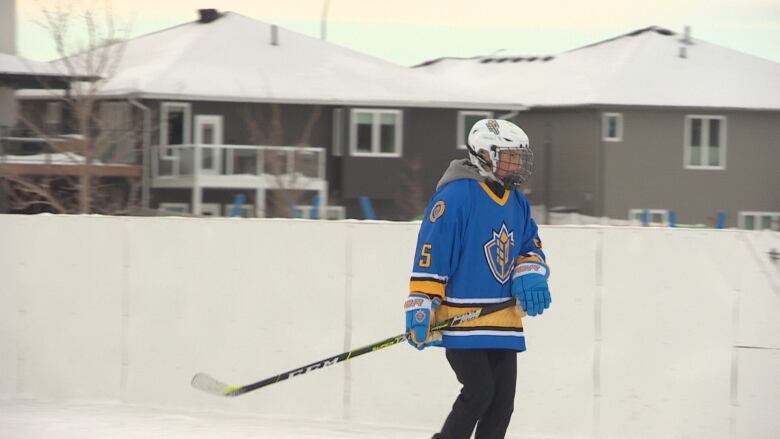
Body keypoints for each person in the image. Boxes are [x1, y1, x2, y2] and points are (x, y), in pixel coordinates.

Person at [404, 119, 552, 439]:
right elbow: (432, 251)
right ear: (484, 154)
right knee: (478, 393)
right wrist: (422, 301)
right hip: (462, 319)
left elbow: (531, 247)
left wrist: (530, 272)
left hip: (503, 320)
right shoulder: (456, 196)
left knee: (502, 405)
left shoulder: (517, 202)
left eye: (519, 156)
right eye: (510, 155)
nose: (517, 163)